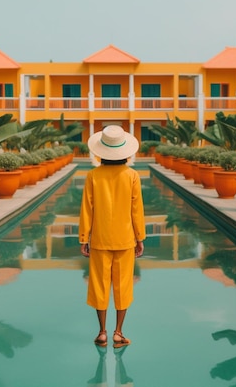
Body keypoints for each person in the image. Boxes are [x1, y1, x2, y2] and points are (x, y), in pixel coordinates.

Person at [79, 125, 146, 348]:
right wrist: (140, 237)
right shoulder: (132, 176)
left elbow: (87, 209)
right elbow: (137, 210)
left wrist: (83, 237)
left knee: (99, 284)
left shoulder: (93, 175)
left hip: (99, 239)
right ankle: (119, 333)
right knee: (123, 284)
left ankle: (102, 333)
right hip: (125, 239)